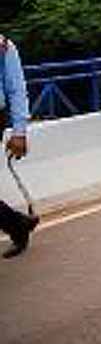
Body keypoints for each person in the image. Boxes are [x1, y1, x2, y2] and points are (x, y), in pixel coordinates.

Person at [0, 36, 37, 258]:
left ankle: (17, 225)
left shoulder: (4, 47)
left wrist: (19, 132)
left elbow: (16, 88)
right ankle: (18, 224)